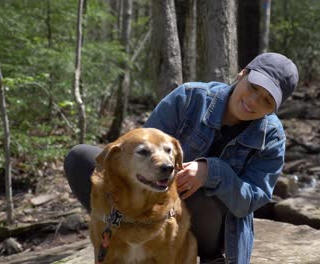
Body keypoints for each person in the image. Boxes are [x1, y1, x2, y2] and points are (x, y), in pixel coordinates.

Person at [64, 52, 299, 264]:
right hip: (152, 206)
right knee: (81, 158)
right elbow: (143, 147)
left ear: (274, 109)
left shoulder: (272, 137)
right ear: (242, 74)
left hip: (209, 226)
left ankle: (208, 257)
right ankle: (122, 237)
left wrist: (211, 172)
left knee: (198, 193)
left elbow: (253, 199)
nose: (254, 101)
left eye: (267, 100)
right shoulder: (189, 98)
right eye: (254, 87)